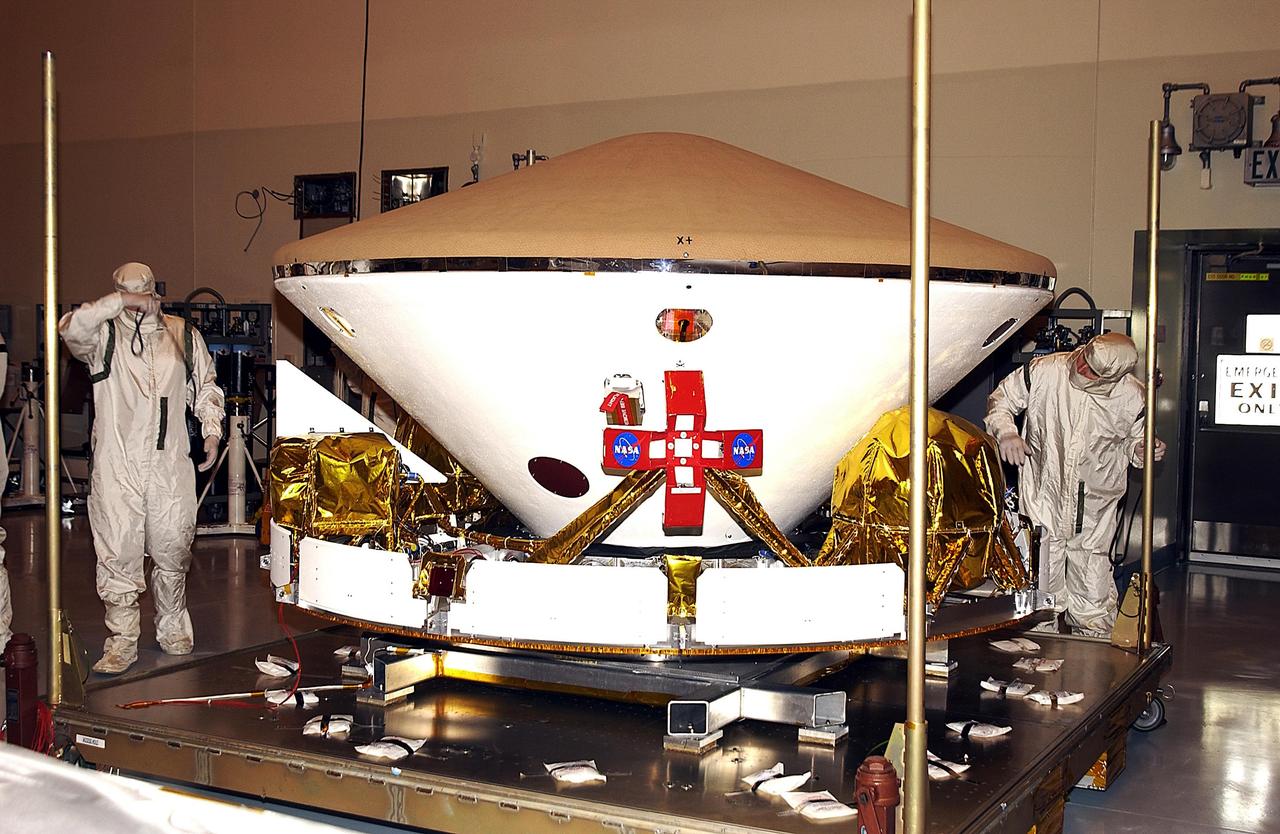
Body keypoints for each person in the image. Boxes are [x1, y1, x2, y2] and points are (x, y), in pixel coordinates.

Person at [59, 263, 225, 674]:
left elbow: (205, 384)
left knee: (172, 546)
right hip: (117, 462)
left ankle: (172, 627)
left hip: (169, 462)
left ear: (155, 291)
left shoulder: (180, 334)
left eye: (141, 294)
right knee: (118, 552)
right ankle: (121, 642)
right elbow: (70, 329)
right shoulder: (104, 334)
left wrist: (211, 429)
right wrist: (118, 304)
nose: (135, 304)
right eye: (125, 295)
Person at [985, 332, 1164, 637]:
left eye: (1091, 371)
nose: (1080, 369)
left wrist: (1141, 450)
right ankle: (1039, 654)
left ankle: (1094, 665)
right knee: (1043, 585)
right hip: (1044, 495)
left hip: (1097, 504)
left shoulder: (1134, 398)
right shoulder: (1045, 371)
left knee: (1093, 590)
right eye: (1083, 360)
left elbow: (1133, 442)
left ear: (1114, 377)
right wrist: (1006, 433)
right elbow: (1001, 400)